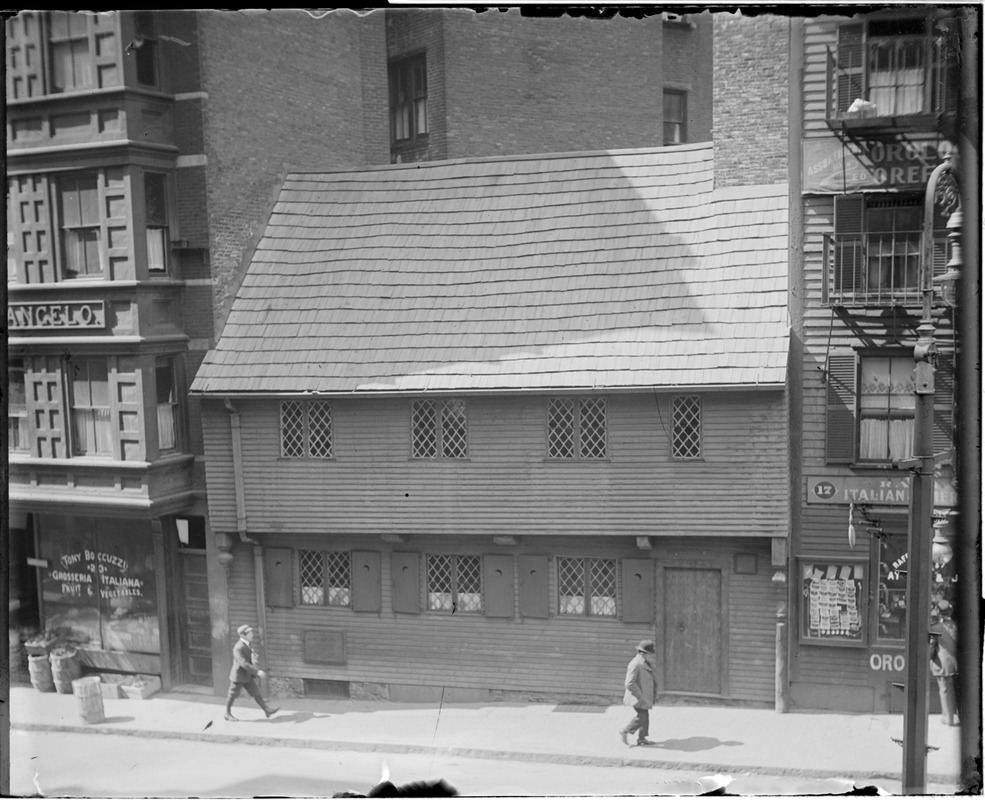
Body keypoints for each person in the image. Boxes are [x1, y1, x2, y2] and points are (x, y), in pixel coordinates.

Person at [225, 624, 278, 721]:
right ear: (243, 635)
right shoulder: (238, 647)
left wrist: (253, 656)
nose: (252, 635)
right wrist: (257, 672)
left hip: (247, 675)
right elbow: (244, 664)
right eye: (250, 633)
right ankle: (227, 713)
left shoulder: (247, 644)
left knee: (256, 692)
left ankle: (267, 710)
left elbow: (248, 660)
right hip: (238, 676)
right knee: (232, 695)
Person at [619, 639, 658, 746]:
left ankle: (642, 738)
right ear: (642, 653)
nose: (651, 656)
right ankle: (625, 731)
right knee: (642, 716)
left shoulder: (645, 662)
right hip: (637, 697)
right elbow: (629, 683)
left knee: (645, 715)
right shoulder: (635, 664)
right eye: (649, 654)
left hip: (645, 696)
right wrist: (641, 696)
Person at [929, 601, 959, 726]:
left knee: (945, 691)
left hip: (943, 665)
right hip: (957, 665)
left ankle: (948, 719)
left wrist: (931, 659)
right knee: (957, 692)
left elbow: (931, 647)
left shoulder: (936, 628)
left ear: (939, 613)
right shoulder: (956, 626)